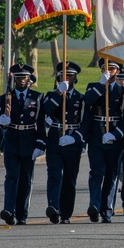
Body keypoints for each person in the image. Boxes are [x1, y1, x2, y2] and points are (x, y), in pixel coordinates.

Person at [0, 64, 44, 226]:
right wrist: (3, 122)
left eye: (24, 77)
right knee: (11, 177)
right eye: (18, 77)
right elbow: (1, 121)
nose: (21, 80)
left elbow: (41, 123)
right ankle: (9, 211)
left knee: (25, 180)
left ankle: (21, 214)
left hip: (29, 141)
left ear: (29, 79)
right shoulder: (5, 98)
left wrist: (40, 144)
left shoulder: (37, 97)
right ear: (14, 79)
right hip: (12, 140)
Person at [83, 60, 124, 223]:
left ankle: (107, 209)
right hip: (96, 136)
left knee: (112, 175)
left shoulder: (123, 91)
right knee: (96, 172)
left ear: (118, 71)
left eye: (112, 69)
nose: (109, 72)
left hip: (115, 138)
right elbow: (87, 101)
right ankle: (94, 206)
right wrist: (101, 84)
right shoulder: (93, 86)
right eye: (105, 69)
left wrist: (117, 133)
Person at [40, 61, 86, 224]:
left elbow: (85, 122)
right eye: (63, 75)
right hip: (55, 138)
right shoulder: (52, 95)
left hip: (72, 139)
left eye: (70, 75)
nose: (67, 78)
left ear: (75, 78)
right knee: (54, 174)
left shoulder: (81, 98)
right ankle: (54, 207)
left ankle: (66, 213)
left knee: (69, 178)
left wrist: (77, 137)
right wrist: (59, 93)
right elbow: (46, 110)